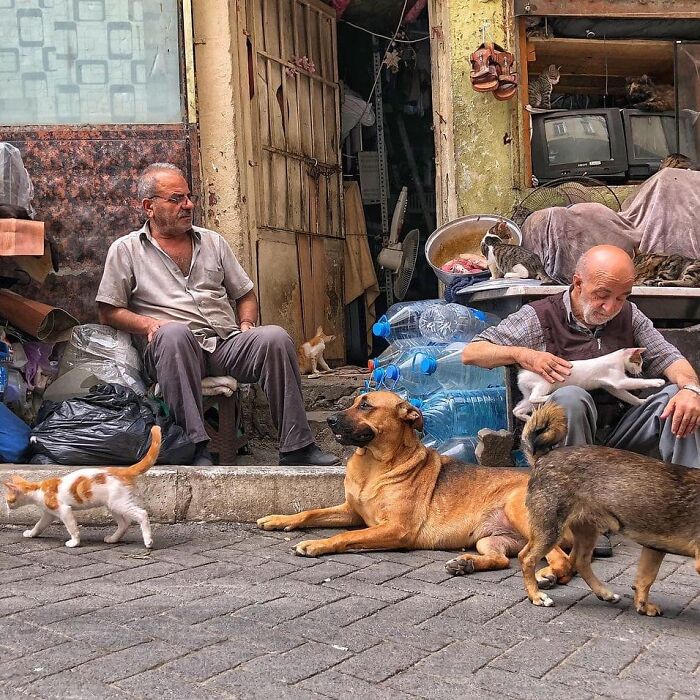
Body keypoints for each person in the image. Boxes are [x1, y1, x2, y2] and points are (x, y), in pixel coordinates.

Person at [96, 163, 340, 468]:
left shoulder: (213, 242)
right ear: (149, 207)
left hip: (224, 343)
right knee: (174, 333)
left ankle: (297, 447)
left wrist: (247, 325)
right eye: (176, 199)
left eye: (188, 196)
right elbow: (108, 310)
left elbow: (245, 294)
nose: (188, 205)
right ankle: (195, 446)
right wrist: (149, 324)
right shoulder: (127, 250)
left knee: (275, 337)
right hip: (173, 351)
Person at [461, 245, 700, 555]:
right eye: (602, 294)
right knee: (571, 397)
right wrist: (523, 354)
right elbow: (472, 352)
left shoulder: (630, 315)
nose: (611, 306)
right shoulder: (540, 316)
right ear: (577, 283)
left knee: (676, 398)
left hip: (619, 435)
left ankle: (689, 518)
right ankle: (579, 525)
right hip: (568, 449)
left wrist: (691, 390)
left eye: (621, 297)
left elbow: (670, 358)